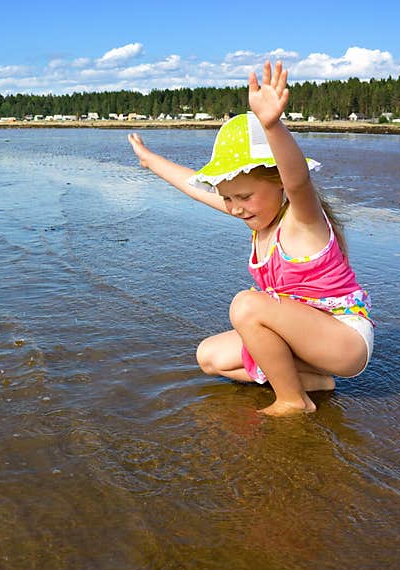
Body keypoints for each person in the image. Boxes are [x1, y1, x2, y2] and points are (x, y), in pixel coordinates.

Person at [127, 60, 373, 416]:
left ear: (277, 184)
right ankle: (316, 382)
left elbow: (298, 180)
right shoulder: (257, 219)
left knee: (246, 305)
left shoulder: (302, 220)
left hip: (343, 341)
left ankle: (293, 400)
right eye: (229, 198)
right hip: (304, 337)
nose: (235, 208)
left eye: (244, 197)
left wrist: (272, 125)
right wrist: (150, 160)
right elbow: (193, 187)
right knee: (210, 356)